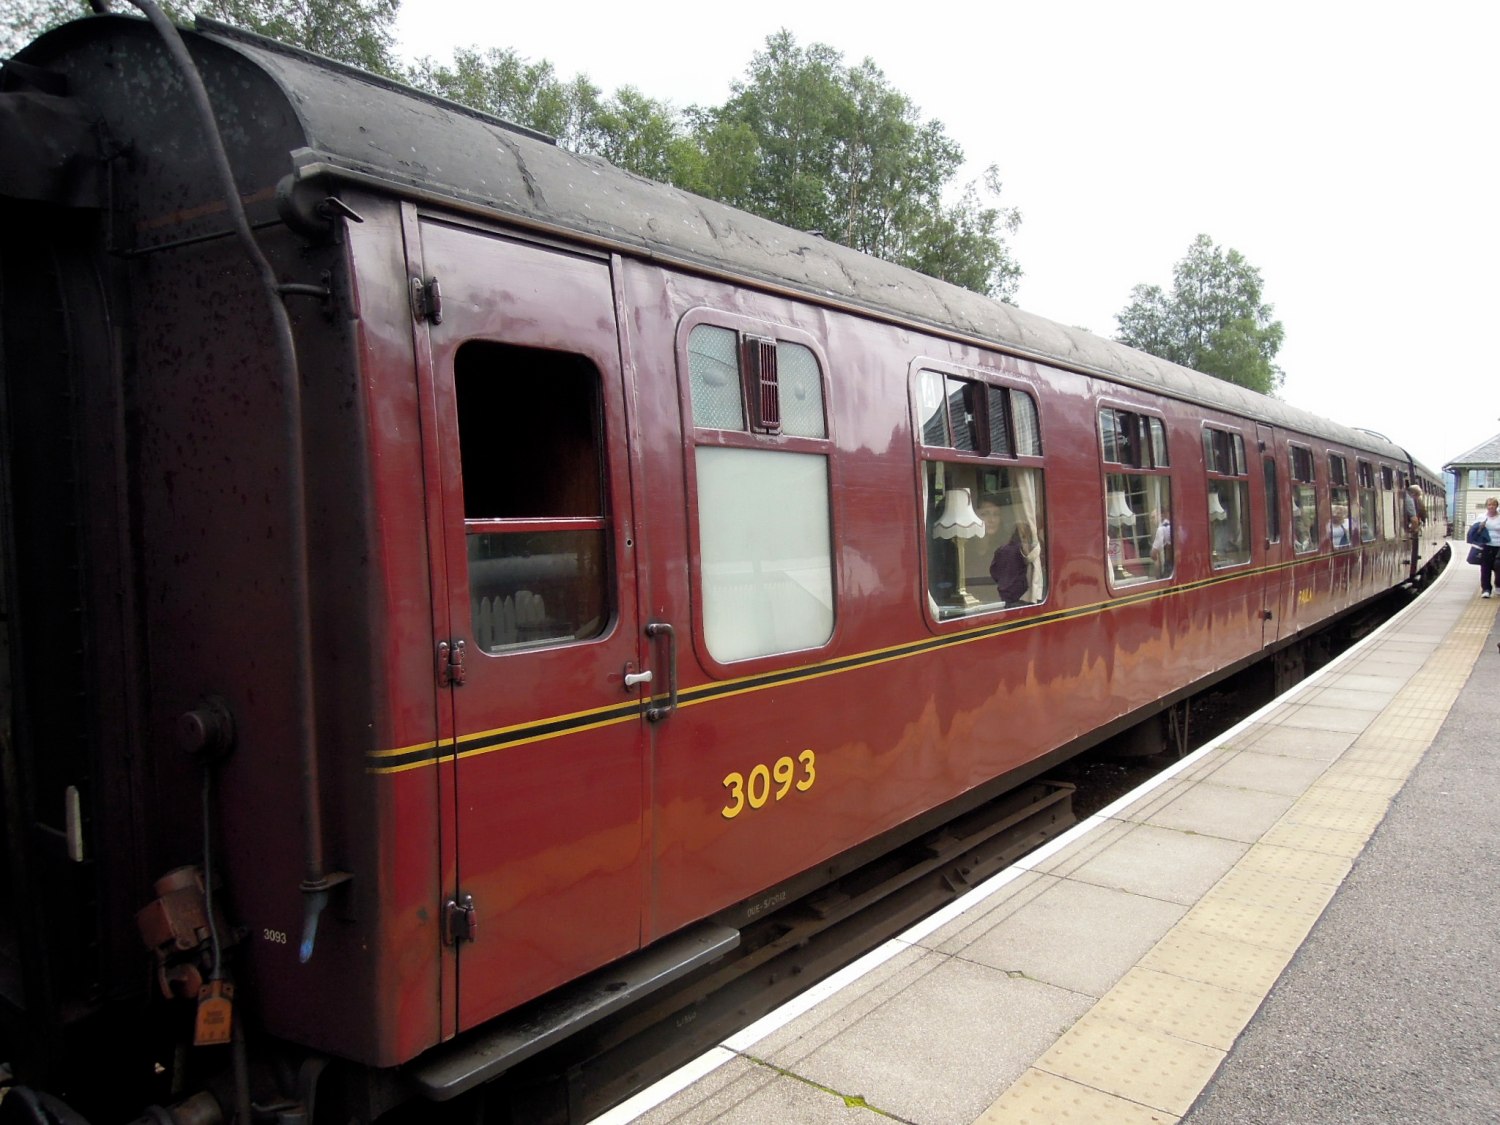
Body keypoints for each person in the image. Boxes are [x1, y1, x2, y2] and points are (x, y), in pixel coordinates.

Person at [1470, 498, 1500, 598]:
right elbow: (1473, 530)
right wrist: (1480, 528)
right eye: (1489, 505)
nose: (1491, 507)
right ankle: (1486, 589)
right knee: (1485, 567)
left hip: (1499, 545)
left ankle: (1498, 585)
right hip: (1486, 546)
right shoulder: (1481, 517)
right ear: (1486, 506)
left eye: (1493, 505)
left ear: (1497, 506)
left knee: (1498, 566)